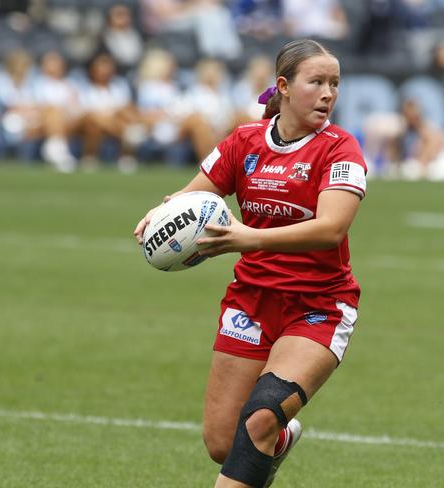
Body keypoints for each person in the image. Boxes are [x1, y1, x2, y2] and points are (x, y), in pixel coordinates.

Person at [133, 39, 367, 487]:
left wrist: (249, 238)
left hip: (317, 306)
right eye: (316, 82)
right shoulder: (244, 141)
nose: (328, 93)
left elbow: (331, 228)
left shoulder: (341, 149)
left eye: (334, 83)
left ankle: (268, 433)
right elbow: (196, 193)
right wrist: (163, 212)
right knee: (223, 443)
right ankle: (278, 442)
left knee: (259, 419)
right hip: (251, 302)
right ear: (283, 86)